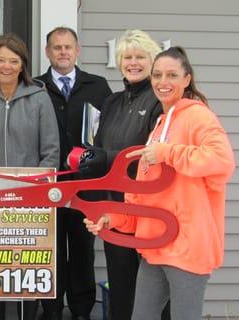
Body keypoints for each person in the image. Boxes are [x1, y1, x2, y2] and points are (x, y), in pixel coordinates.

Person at [84, 46, 235, 320]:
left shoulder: (197, 116)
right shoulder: (161, 125)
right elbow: (145, 194)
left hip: (187, 247)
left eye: (172, 75)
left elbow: (222, 160)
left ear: (187, 79)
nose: (163, 82)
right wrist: (113, 219)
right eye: (157, 75)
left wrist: (168, 153)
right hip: (155, 246)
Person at [0, 33, 60, 320]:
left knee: (26, 271)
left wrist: (40, 190)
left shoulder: (39, 98)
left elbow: (51, 151)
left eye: (13, 61)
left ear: (22, 65)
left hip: (30, 199)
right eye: (1, 60)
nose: (6, 66)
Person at [76, 29, 164, 320]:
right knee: (122, 284)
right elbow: (98, 149)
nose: (133, 62)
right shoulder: (112, 102)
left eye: (140, 56)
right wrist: (89, 160)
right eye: (127, 57)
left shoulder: (158, 102)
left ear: (152, 61)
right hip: (114, 208)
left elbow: (152, 155)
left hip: (147, 208)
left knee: (152, 289)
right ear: (119, 62)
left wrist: (107, 158)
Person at [36, 26, 112, 320]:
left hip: (86, 185)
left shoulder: (98, 86)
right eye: (57, 47)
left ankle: (81, 309)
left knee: (82, 249)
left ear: (77, 50)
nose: (63, 52)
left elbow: (106, 134)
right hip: (48, 184)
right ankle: (51, 308)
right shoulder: (35, 86)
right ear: (48, 52)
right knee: (50, 248)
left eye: (68, 47)